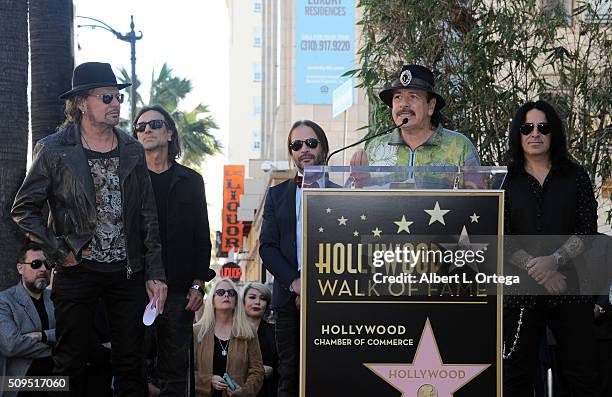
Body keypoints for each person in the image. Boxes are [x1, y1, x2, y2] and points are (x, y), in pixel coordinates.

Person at [11, 62, 167, 396]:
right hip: (77, 269)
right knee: (70, 361)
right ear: (82, 103)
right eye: (107, 97)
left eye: (118, 97)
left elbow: (147, 215)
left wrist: (155, 272)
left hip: (127, 273)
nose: (116, 104)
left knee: (131, 363)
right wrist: (57, 251)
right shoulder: (54, 149)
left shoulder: (132, 150)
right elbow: (23, 209)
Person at [502, 100, 599, 396]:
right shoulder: (506, 180)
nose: (535, 134)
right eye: (527, 127)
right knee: (513, 373)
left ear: (553, 133)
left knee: (581, 373)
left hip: (569, 286)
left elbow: (586, 231)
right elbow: (502, 235)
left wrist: (555, 261)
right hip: (520, 291)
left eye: (543, 127)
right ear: (518, 135)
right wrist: (541, 270)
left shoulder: (576, 177)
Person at [134, 104, 216, 396]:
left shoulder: (191, 181)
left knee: (176, 375)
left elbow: (200, 236)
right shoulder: (129, 180)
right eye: (140, 127)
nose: (146, 130)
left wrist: (198, 282)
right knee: (131, 369)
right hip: (135, 289)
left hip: (180, 292)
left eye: (154, 124)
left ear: (169, 132)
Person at [259, 120, 334, 397]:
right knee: (289, 376)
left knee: (329, 373)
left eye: (311, 143)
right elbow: (267, 247)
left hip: (332, 296)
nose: (304, 149)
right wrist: (295, 282)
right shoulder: (277, 195)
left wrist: (315, 284)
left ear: (323, 147)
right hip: (287, 300)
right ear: (291, 152)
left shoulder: (343, 193)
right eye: (297, 145)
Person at [350, 64, 480, 187]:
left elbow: (479, 200)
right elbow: (346, 199)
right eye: (397, 97)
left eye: (413, 96)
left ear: (431, 106)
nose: (403, 104)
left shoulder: (459, 146)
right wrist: (362, 183)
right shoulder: (375, 147)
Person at [0, 242, 55, 397]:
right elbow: (11, 345)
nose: (44, 269)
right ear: (20, 268)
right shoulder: (4, 301)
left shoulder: (57, 300)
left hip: (58, 382)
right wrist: (56, 346)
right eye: (36, 264)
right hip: (20, 385)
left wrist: (42, 336)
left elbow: (73, 335)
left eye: (48, 264)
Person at [193, 279, 264, 397]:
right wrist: (208, 379)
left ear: (236, 301)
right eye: (220, 292)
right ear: (212, 300)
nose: (226, 295)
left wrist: (244, 391)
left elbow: (257, 371)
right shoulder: (197, 331)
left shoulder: (248, 332)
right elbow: (187, 371)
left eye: (231, 293)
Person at [242, 283, 278, 397]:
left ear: (267, 305)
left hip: (268, 390)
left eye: (263, 299)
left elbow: (283, 364)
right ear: (243, 301)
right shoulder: (231, 330)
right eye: (252, 297)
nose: (257, 302)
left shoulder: (275, 332)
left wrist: (272, 370)